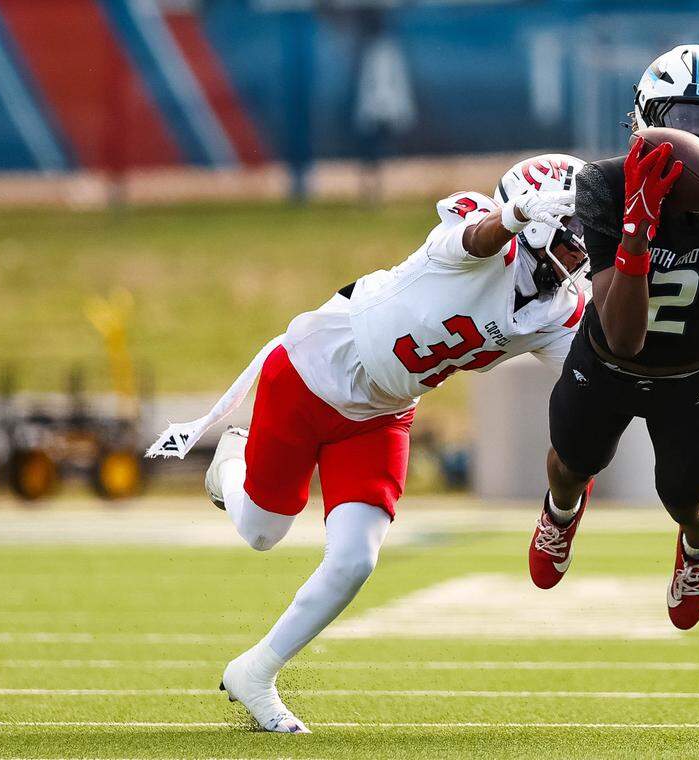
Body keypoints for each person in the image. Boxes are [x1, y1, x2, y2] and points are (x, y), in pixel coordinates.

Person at [146, 154, 588, 732]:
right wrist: (510, 217)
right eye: (575, 232)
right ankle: (230, 463)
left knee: (356, 558)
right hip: (312, 371)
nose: (584, 249)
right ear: (533, 222)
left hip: (383, 412)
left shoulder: (559, 308)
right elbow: (472, 240)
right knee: (261, 532)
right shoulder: (476, 226)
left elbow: (590, 380)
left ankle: (256, 673)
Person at [529, 44, 699, 630]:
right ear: (645, 120)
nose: (696, 137)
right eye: (680, 120)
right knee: (569, 464)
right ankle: (562, 509)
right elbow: (623, 337)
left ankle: (698, 550)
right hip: (607, 362)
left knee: (690, 501)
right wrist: (636, 232)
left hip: (693, 375)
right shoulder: (606, 184)